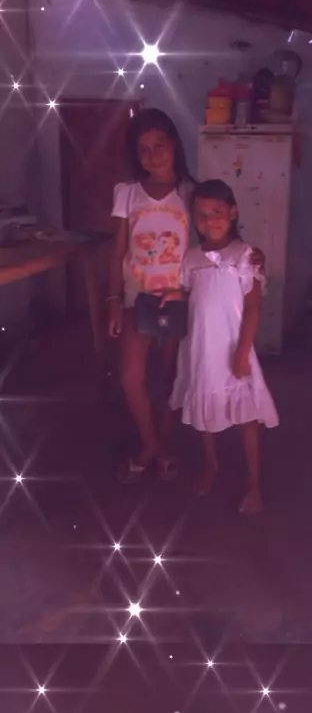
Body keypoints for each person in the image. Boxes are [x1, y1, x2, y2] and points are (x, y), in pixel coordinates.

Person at [108, 109, 265, 484]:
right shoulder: (127, 193)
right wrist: (112, 299)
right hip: (136, 298)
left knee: (170, 378)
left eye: (160, 144)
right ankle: (152, 447)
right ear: (135, 154)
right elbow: (118, 252)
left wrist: (250, 254)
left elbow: (216, 233)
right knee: (131, 377)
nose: (153, 155)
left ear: (174, 144)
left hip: (181, 300)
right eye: (144, 148)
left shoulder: (190, 192)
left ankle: (162, 447)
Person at [167, 179, 279, 514]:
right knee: (205, 415)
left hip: (235, 349)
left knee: (247, 417)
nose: (209, 220)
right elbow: (189, 298)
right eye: (201, 214)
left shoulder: (245, 256)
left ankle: (254, 484)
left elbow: (253, 307)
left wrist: (243, 352)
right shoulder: (190, 259)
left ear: (232, 213)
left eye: (217, 212)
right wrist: (171, 297)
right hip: (201, 351)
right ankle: (212, 465)